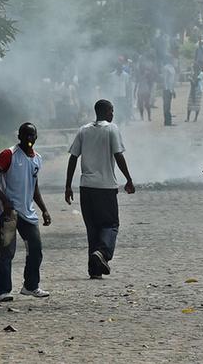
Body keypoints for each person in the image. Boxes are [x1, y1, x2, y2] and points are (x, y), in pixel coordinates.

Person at [65, 100, 135, 279]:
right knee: (110, 225)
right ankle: (102, 253)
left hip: (86, 187)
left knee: (92, 228)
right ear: (105, 111)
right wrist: (128, 179)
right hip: (105, 187)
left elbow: (73, 158)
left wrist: (68, 185)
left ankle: (94, 270)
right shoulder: (112, 129)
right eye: (111, 110)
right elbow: (118, 156)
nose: (113, 114)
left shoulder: (83, 130)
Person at [0, 123, 51, 302]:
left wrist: (44, 209)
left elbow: (34, 186)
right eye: (26, 135)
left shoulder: (37, 158)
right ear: (19, 136)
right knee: (7, 251)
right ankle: (2, 291)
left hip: (28, 213)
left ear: (36, 137)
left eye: (32, 135)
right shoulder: (9, 155)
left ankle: (30, 286)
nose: (30, 139)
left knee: (35, 249)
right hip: (9, 213)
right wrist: (4, 200)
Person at [161, 60, 176, 126]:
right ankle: (167, 122)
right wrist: (169, 89)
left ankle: (167, 122)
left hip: (168, 90)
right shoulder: (167, 68)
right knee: (167, 106)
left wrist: (172, 90)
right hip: (167, 90)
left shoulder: (170, 68)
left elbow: (171, 81)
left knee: (167, 106)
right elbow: (165, 80)